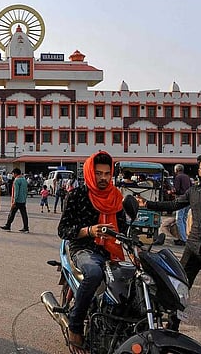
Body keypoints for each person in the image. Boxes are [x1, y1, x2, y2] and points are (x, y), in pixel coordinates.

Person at [137, 152, 201, 335]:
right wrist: (147, 204)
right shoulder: (193, 192)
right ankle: (172, 326)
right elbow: (173, 205)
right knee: (178, 287)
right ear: (199, 171)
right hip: (193, 248)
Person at [58, 151, 127, 352]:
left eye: (107, 173)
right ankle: (75, 325)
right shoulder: (77, 195)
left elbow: (123, 229)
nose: (103, 178)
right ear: (90, 172)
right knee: (95, 273)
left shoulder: (116, 197)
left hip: (111, 250)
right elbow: (63, 230)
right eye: (98, 173)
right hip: (84, 248)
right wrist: (89, 231)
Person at [0, 168, 29, 233]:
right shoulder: (24, 180)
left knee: (12, 213)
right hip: (23, 200)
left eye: (13, 174)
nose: (12, 175)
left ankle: (8, 225)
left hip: (17, 200)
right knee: (24, 214)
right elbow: (26, 191)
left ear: (15, 173)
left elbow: (16, 192)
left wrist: (14, 201)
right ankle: (26, 227)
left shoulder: (16, 180)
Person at [173, 163, 191, 246]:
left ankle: (183, 239)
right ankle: (184, 238)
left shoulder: (178, 177)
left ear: (176, 170)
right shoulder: (187, 177)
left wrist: (171, 192)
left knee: (179, 219)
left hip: (181, 199)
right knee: (184, 219)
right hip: (188, 199)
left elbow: (176, 190)